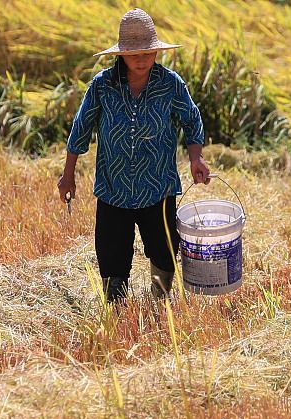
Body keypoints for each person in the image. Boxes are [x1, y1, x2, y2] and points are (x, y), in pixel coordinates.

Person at [57, 8, 210, 303]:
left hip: (158, 186)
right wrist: (67, 176)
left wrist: (196, 157)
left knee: (164, 249)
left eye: (148, 52)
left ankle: (160, 299)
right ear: (121, 55)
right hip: (114, 188)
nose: (142, 58)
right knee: (112, 252)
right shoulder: (102, 86)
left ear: (156, 51)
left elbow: (191, 120)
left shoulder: (170, 84)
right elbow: (81, 128)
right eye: (134, 53)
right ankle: (116, 305)